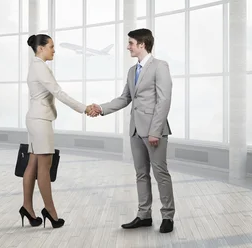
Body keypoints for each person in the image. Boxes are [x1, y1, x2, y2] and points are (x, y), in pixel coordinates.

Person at [91, 28, 175, 233]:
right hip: (135, 130)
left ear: (142, 45)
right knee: (141, 174)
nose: (128, 46)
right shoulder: (132, 71)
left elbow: (164, 100)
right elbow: (125, 98)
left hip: (154, 130)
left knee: (160, 173)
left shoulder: (160, 66)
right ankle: (144, 215)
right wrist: (101, 108)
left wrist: (155, 130)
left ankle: (167, 217)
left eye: (131, 43)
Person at [21, 34, 100, 229]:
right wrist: (84, 108)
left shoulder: (36, 66)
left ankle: (27, 208)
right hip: (41, 120)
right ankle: (51, 212)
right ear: (40, 48)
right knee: (44, 167)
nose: (54, 50)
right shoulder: (40, 67)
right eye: (51, 46)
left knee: (32, 163)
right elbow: (58, 93)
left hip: (34, 118)